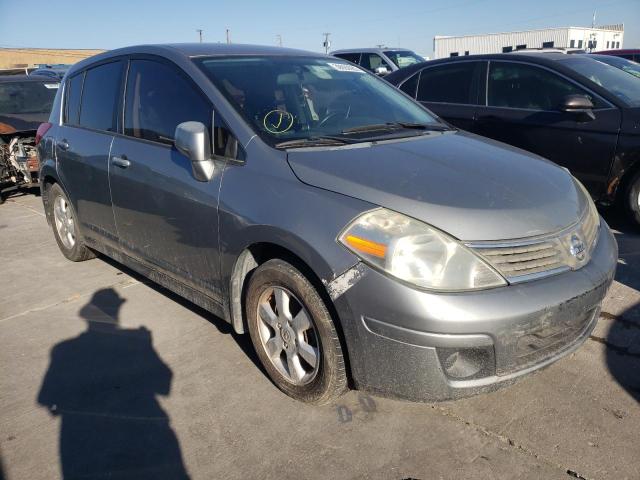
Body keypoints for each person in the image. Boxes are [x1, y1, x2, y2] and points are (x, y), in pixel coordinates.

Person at [37, 288, 190, 479]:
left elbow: (48, 401)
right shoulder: (135, 342)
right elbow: (164, 384)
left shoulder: (63, 351)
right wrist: (147, 347)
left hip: (85, 444)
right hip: (138, 438)